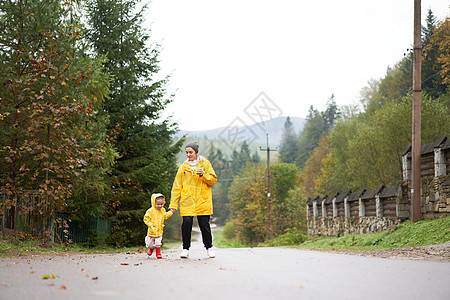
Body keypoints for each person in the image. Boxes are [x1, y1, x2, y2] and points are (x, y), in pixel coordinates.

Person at [169, 142, 218, 258]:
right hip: (187, 200)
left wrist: (204, 174)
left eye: (190, 152)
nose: (188, 154)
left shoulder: (205, 164)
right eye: (186, 152)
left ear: (196, 152)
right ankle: (185, 249)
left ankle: (209, 248)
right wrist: (173, 204)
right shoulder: (183, 167)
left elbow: (213, 180)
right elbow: (177, 187)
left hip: (202, 200)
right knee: (187, 223)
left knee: (204, 224)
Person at [143, 193, 173, 259]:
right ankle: (151, 249)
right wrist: (150, 225)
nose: (160, 206)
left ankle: (158, 253)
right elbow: (146, 219)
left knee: (158, 243)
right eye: (158, 204)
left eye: (161, 204)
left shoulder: (162, 210)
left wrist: (171, 212)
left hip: (159, 231)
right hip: (152, 231)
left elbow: (165, 216)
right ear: (154, 203)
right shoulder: (150, 211)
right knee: (150, 245)